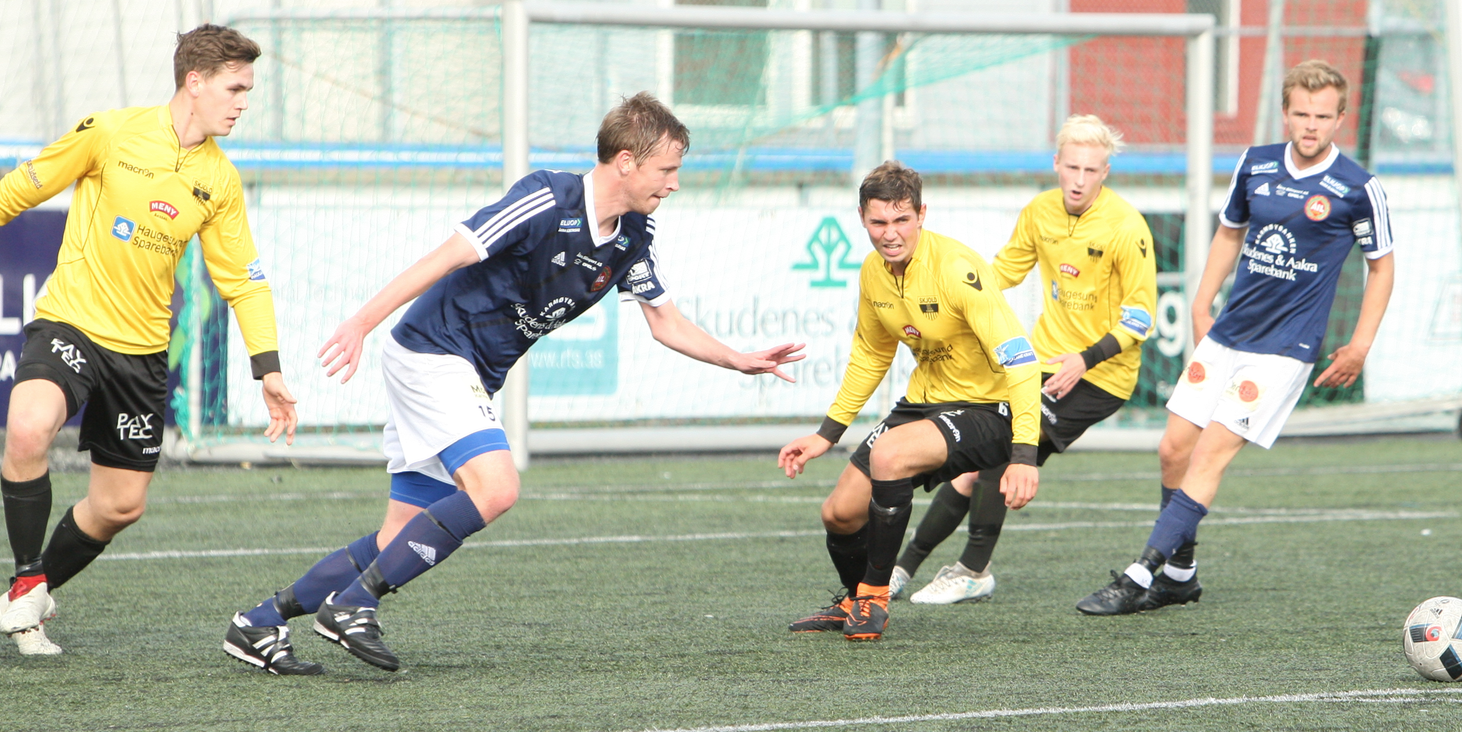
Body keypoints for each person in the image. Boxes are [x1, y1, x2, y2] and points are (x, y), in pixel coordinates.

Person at [223, 92, 805, 674]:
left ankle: (260, 622)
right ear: (627, 161)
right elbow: (445, 258)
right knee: (497, 488)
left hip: (466, 372)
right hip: (433, 350)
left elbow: (665, 322)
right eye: (667, 169)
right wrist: (360, 323)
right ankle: (353, 605)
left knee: (396, 538)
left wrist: (738, 359)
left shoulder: (634, 234)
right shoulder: (546, 198)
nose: (675, 184)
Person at [0, 25, 298, 656]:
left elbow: (243, 280)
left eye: (248, 90)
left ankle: (28, 596)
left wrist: (267, 367)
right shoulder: (110, 133)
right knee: (27, 429)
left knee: (119, 507)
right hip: (72, 322)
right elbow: (21, 188)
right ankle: (26, 581)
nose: (244, 103)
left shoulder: (220, 180)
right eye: (235, 88)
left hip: (140, 354)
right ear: (195, 81)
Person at [1074, 59, 1394, 616]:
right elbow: (1229, 233)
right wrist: (1202, 304)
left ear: (1341, 118)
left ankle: (1137, 575)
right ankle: (1181, 575)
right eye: (1302, 114)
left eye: (1323, 116)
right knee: (1173, 450)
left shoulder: (1358, 188)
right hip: (1228, 334)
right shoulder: (1255, 163)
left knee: (1207, 459)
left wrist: (1360, 344)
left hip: (1284, 350)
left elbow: (1382, 266)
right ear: (1285, 112)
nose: (1311, 125)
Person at [890, 115, 1157, 605]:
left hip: (1101, 376)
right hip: (1045, 362)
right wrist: (953, 297)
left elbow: (1141, 318)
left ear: (1105, 172)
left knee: (1004, 441)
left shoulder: (1126, 227)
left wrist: (1084, 359)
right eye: (1072, 167)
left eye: (1091, 170)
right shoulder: (1039, 211)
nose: (1079, 180)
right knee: (972, 465)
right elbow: (1002, 273)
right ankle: (903, 568)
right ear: (1057, 163)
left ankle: (973, 570)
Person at [778, 161, 1041, 642]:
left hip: (988, 409)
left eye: (902, 220)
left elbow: (1022, 362)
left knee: (889, 454)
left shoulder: (958, 269)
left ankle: (874, 598)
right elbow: (871, 355)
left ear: (921, 214)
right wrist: (826, 435)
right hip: (924, 403)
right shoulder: (872, 272)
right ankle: (853, 598)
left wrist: (1024, 455)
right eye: (879, 221)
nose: (890, 233)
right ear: (862, 218)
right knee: (839, 513)